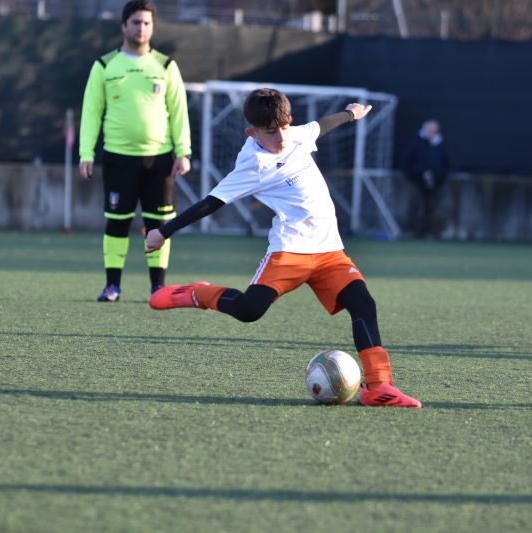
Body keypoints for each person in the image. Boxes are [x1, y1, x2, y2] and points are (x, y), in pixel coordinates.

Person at [145, 88, 421, 408]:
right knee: (249, 311)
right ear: (252, 132)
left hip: (329, 251)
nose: (281, 137)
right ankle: (198, 294)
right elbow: (210, 203)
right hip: (289, 250)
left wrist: (350, 114)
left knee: (363, 303)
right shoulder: (253, 164)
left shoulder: (295, 135)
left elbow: (321, 126)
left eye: (284, 127)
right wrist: (163, 232)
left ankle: (378, 386)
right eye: (271, 132)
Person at [79, 0, 192, 302]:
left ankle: (158, 288)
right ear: (123, 26)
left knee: (159, 224)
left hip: (160, 159)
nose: (141, 28)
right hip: (118, 158)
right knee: (117, 221)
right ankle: (112, 286)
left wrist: (184, 151)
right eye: (136, 22)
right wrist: (86, 153)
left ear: (152, 27)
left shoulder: (166, 66)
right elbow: (91, 112)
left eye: (146, 23)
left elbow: (178, 111)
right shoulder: (104, 65)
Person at [402, 119, 449, 239]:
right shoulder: (416, 144)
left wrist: (439, 178)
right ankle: (412, 232)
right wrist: (415, 175)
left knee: (432, 208)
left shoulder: (440, 145)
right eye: (430, 130)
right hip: (417, 182)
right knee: (415, 206)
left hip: (436, 183)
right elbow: (408, 162)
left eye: (434, 131)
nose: (432, 133)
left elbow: (445, 164)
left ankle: (430, 233)